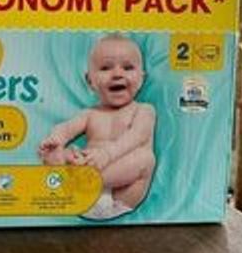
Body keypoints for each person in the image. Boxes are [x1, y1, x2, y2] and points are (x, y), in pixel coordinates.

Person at [38, 35, 156, 220]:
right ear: (90, 80)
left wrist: (106, 154)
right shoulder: (90, 114)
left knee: (145, 158)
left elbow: (137, 135)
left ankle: (86, 180)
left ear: (141, 78)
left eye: (127, 67)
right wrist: (56, 140)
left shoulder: (144, 110)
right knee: (66, 152)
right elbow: (65, 128)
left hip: (121, 196)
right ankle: (60, 167)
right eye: (106, 68)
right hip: (84, 198)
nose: (117, 74)